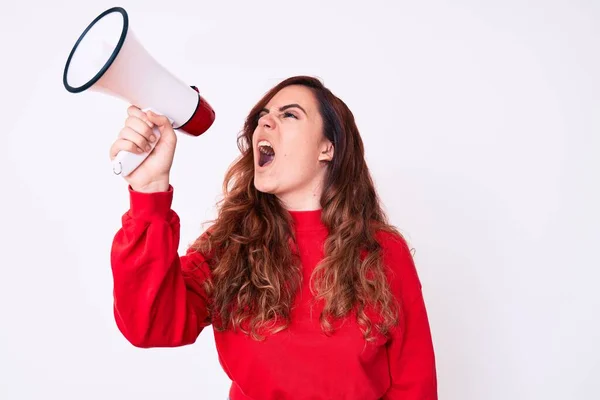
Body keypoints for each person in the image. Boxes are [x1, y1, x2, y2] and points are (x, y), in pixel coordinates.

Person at [109, 76, 438, 400]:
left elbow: (415, 385)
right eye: (262, 117)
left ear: (328, 148)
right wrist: (149, 191)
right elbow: (150, 324)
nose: (265, 123)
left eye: (289, 114)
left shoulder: (382, 251)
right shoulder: (229, 244)